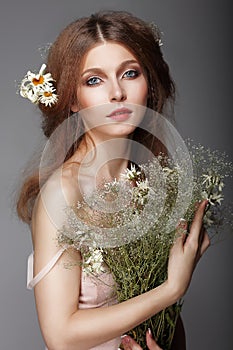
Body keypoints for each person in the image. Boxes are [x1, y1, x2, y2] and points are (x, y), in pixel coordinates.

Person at [16, 11, 210, 350]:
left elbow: (166, 322)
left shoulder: (152, 184)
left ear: (148, 85)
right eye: (94, 80)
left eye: (130, 73)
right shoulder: (65, 193)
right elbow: (60, 336)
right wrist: (171, 289)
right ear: (72, 100)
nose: (117, 92)